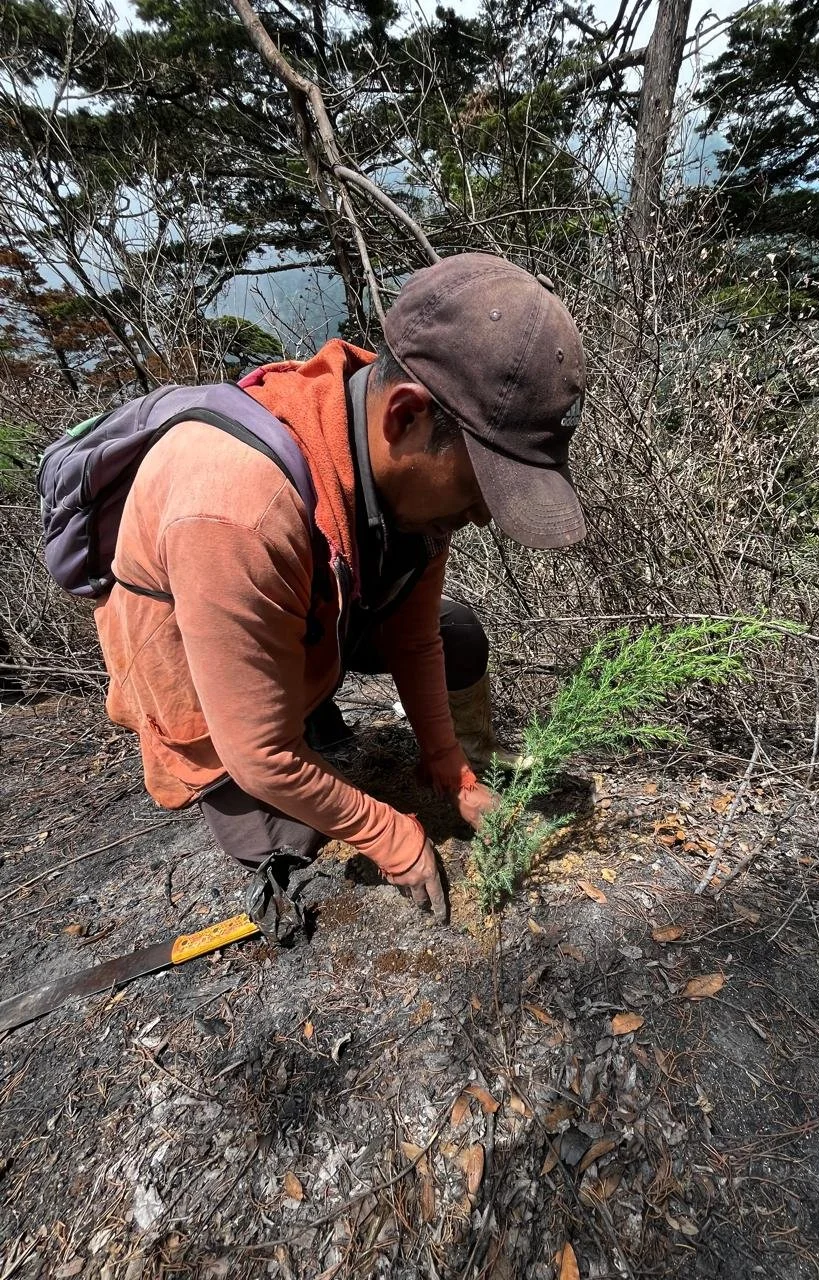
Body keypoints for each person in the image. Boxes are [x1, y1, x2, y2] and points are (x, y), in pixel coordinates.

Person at [93, 253, 586, 922]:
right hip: (205, 677)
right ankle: (303, 718)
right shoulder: (237, 508)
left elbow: (415, 642)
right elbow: (259, 755)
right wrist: (393, 836)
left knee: (456, 634)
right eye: (482, 484)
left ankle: (311, 709)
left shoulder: (396, 468)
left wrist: (450, 769)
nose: (483, 513)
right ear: (405, 417)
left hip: (306, 618)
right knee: (293, 837)